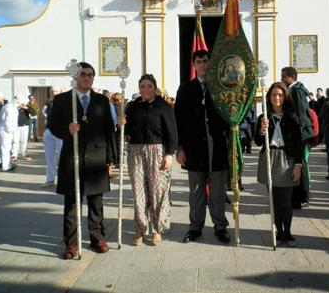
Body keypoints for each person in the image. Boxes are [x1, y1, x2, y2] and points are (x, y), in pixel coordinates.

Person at [49, 62, 117, 259]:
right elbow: (53, 126)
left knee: (96, 202)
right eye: (83, 74)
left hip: (97, 158)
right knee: (72, 203)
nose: (87, 77)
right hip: (72, 157)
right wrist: (67, 130)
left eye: (90, 75)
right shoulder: (62, 100)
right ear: (76, 76)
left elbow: (108, 130)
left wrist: (111, 159)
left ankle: (97, 238)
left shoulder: (102, 100)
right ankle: (71, 244)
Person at [175, 50, 230, 244]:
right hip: (194, 150)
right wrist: (179, 148)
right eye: (199, 62)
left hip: (217, 149)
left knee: (217, 193)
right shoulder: (185, 89)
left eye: (206, 61)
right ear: (194, 65)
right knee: (196, 192)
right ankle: (195, 227)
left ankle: (220, 226)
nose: (203, 65)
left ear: (211, 63)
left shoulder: (221, 87)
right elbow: (178, 121)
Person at [123, 74, 178, 246]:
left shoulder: (164, 107)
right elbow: (125, 133)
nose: (145, 89)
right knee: (138, 192)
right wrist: (121, 124)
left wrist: (170, 154)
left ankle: (157, 229)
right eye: (142, 86)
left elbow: (172, 132)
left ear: (154, 88)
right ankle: (140, 228)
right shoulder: (132, 106)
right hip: (136, 152)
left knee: (157, 191)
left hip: (158, 152)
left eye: (149, 86)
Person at [254, 82, 303, 247]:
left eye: (280, 95)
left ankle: (287, 232)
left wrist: (298, 164)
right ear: (269, 97)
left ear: (285, 97)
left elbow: (298, 142)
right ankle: (278, 232)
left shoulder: (292, 116)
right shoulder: (264, 117)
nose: (277, 98)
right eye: (274, 95)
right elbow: (258, 141)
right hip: (269, 157)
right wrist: (262, 129)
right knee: (274, 201)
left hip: (287, 159)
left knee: (285, 202)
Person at [281, 66, 314, 209]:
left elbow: (301, 114)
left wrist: (298, 134)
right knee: (297, 164)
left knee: (301, 165)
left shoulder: (297, 91)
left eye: (283, 76)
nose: (281, 79)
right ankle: (297, 196)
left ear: (291, 77)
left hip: (301, 134)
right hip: (296, 133)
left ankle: (303, 197)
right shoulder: (292, 90)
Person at [42, 86, 63, 187]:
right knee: (49, 157)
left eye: (56, 91)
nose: (54, 92)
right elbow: (45, 115)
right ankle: (50, 180)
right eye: (52, 91)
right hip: (49, 131)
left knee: (61, 157)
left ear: (60, 92)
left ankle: (63, 181)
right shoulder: (48, 103)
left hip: (60, 133)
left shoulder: (65, 102)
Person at [0, 95, 23, 172]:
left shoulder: (12, 107)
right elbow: (7, 121)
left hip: (4, 129)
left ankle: (7, 163)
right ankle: (5, 166)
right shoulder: (10, 108)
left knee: (6, 147)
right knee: (5, 147)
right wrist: (11, 131)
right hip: (4, 129)